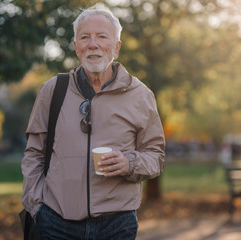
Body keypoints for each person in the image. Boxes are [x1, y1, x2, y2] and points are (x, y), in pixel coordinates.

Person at [21, 4, 165, 240]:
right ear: (76, 47)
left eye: (102, 37)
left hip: (117, 224)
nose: (93, 44)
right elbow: (34, 153)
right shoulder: (53, 90)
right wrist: (37, 207)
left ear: (116, 47)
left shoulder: (141, 95)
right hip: (56, 223)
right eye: (85, 37)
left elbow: (156, 156)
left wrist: (129, 163)